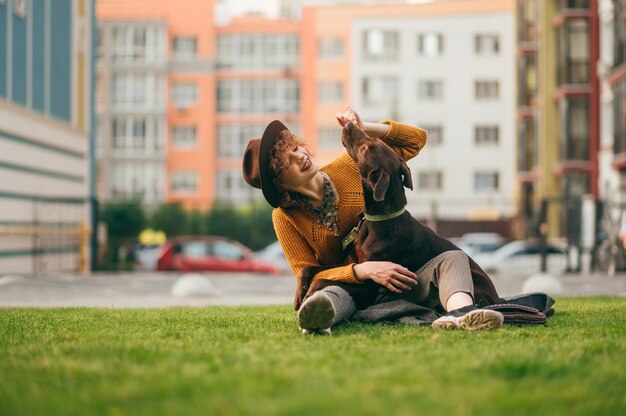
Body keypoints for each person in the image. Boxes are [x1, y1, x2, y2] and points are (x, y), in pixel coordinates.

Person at [242, 106, 503, 335]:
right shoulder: (285, 218)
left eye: (296, 148)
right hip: (356, 290)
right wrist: (362, 271)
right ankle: (317, 319)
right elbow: (307, 275)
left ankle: (462, 314)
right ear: (281, 186)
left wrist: (364, 128)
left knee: (452, 259)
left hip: (405, 277)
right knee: (327, 294)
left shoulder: (349, 164)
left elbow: (417, 139)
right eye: (288, 161)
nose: (300, 156)